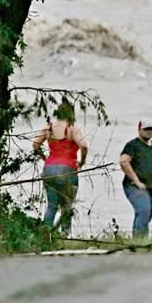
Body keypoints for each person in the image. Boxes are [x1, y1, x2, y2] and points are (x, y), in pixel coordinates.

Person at [32, 99, 88, 235]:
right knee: (67, 206)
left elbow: (35, 145)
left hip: (49, 168)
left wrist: (44, 158)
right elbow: (84, 146)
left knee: (51, 206)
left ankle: (46, 235)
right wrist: (81, 162)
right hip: (67, 169)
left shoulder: (49, 128)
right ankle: (65, 235)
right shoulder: (71, 129)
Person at [119, 118, 152, 238]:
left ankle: (142, 241)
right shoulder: (133, 145)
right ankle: (138, 241)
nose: (148, 132)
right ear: (139, 129)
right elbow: (123, 161)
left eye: (150, 129)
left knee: (147, 215)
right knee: (143, 210)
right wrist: (136, 181)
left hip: (151, 187)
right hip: (134, 186)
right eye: (146, 129)